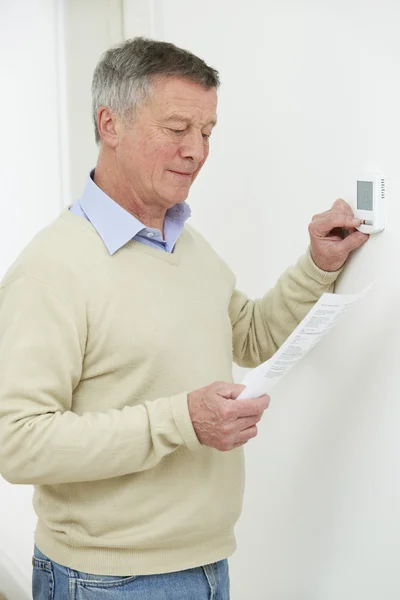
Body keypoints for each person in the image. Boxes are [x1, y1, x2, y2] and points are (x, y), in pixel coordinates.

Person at [0, 37, 368, 600]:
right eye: (177, 129)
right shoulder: (51, 270)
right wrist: (181, 421)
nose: (196, 150)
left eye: (207, 131)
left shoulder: (186, 244)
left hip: (208, 564)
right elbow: (17, 441)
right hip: (106, 580)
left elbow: (249, 334)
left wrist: (318, 264)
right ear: (110, 124)